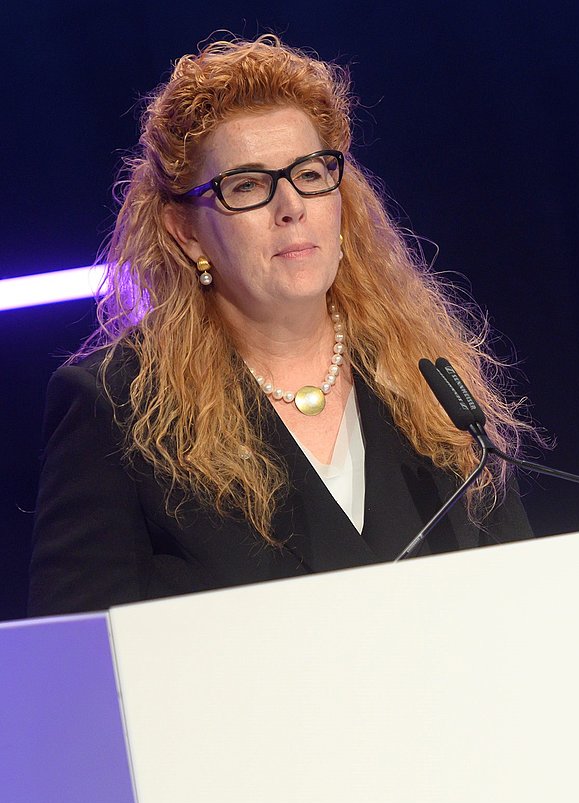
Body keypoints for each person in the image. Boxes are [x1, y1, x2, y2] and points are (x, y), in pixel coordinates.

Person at [28, 36, 534, 617]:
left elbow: (522, 611)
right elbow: (73, 660)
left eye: (310, 174)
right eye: (246, 185)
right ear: (185, 233)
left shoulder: (432, 386)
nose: (291, 206)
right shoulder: (117, 409)